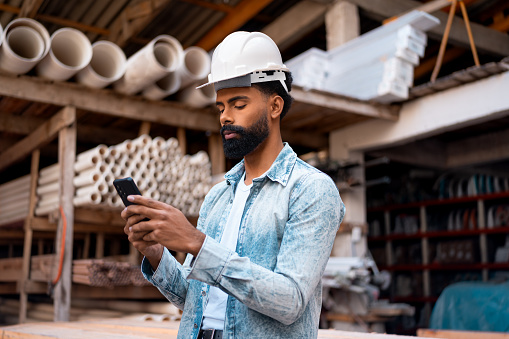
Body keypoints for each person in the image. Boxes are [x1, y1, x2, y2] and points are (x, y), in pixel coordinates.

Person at [122, 31, 345, 339]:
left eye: (238, 104)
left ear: (275, 106)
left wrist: (197, 244)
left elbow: (290, 301)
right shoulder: (217, 196)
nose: (225, 117)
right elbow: (193, 298)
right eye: (220, 107)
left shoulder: (309, 190)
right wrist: (156, 253)